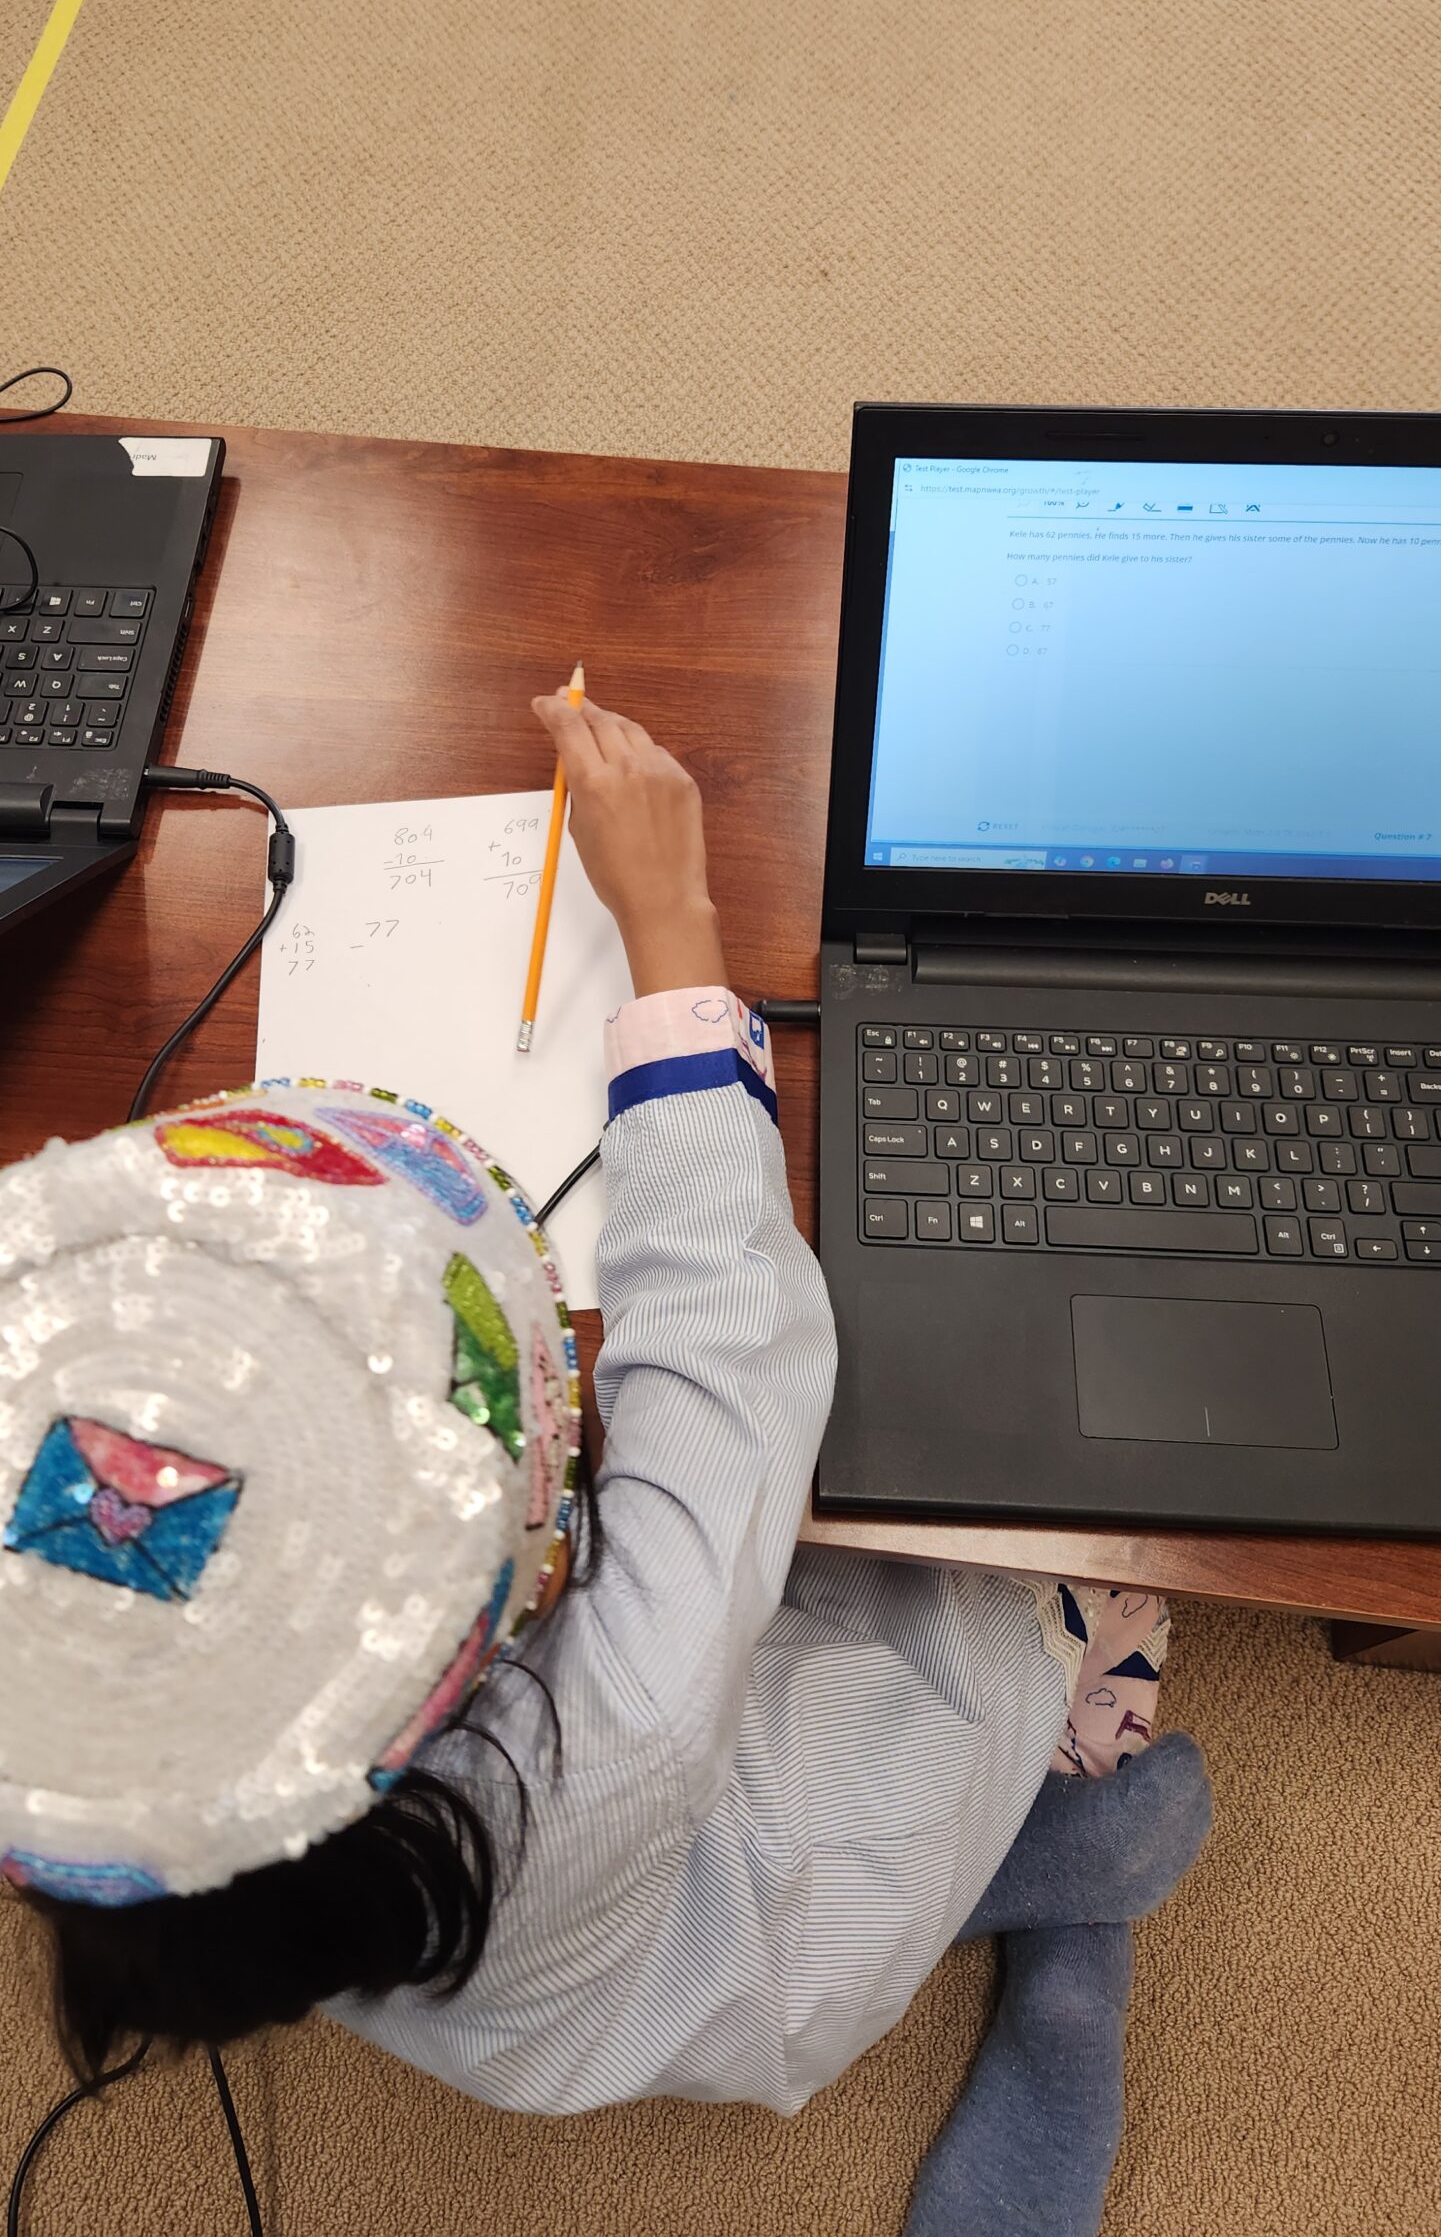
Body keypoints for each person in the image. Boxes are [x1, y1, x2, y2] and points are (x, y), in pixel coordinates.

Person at [0, 692, 1211, 2237]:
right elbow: (725, 1368)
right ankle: (1051, 1877)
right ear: (503, 1565)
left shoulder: (105, 1813)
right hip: (802, 1909)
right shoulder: (606, 1737)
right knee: (1060, 1545)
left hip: (545, 1991)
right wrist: (671, 928)